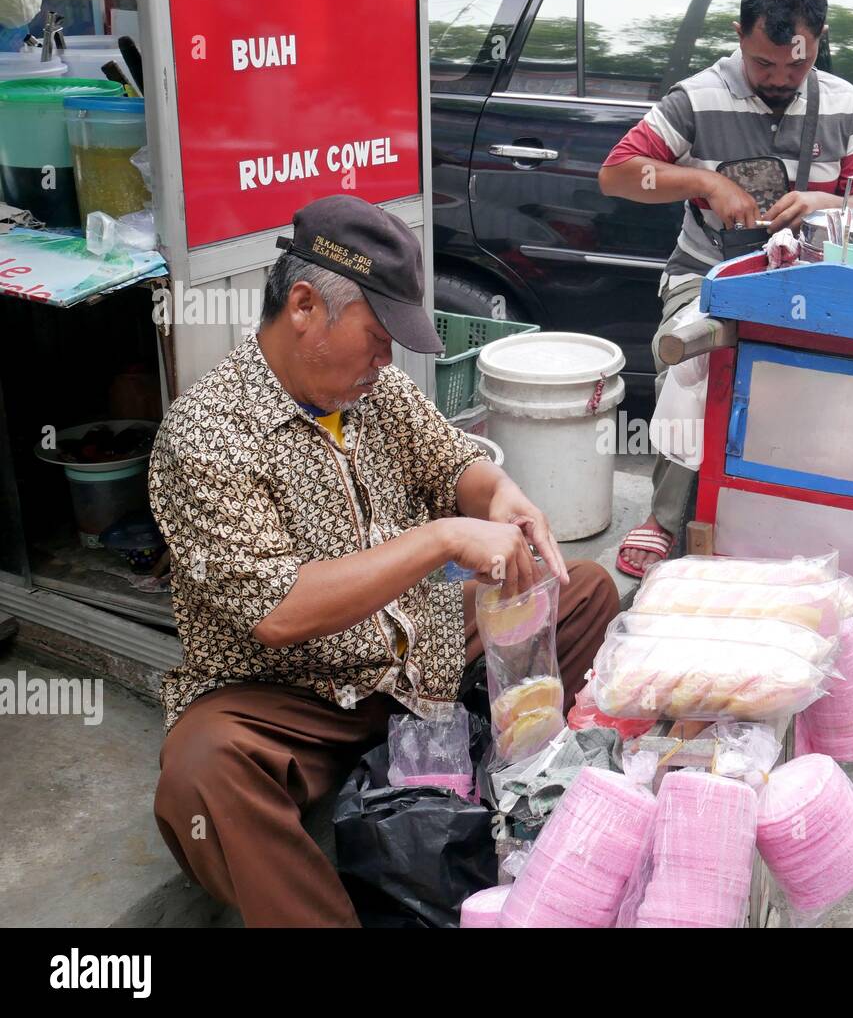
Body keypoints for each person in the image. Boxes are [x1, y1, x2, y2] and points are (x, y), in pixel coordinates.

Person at [147, 194, 619, 927]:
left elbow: (454, 459)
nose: (386, 358)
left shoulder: (375, 390)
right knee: (201, 773)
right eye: (376, 335)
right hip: (295, 696)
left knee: (580, 588)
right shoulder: (206, 436)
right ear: (304, 305)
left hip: (417, 653)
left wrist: (501, 497)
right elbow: (278, 611)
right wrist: (442, 539)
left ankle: (516, 802)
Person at [598, 0, 853, 577]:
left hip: (808, 281)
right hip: (707, 275)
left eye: (794, 67)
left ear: (818, 42)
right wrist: (703, 179)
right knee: (688, 356)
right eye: (762, 65)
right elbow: (618, 174)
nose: (778, 80)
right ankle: (666, 517)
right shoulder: (696, 97)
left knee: (836, 379)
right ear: (739, 37)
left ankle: (794, 513)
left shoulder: (845, 104)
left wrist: (825, 203)